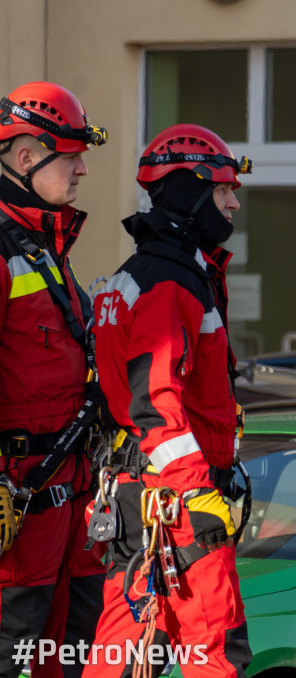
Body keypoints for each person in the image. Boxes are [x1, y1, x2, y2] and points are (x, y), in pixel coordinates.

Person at [84, 124, 252, 677]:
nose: (232, 204)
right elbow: (153, 401)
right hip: (177, 505)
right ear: (189, 191)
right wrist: (198, 490)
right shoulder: (171, 281)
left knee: (122, 656)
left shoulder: (141, 276)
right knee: (213, 652)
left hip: (139, 500)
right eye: (224, 190)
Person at [0, 81, 109, 678]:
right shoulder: (4, 247)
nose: (83, 170)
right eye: (71, 157)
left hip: (68, 501)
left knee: (71, 653)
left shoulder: (46, 248)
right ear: (25, 157)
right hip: (20, 503)